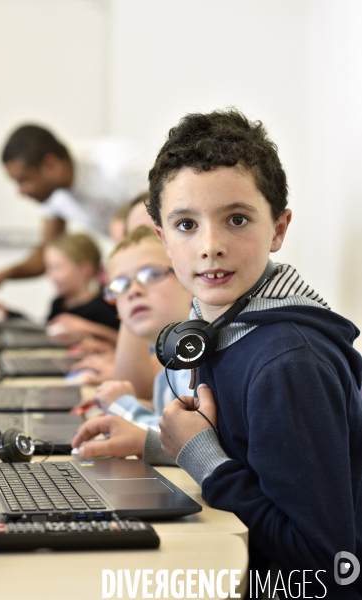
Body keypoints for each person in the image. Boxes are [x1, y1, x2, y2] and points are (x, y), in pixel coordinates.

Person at [143, 108, 362, 598]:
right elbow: (254, 449)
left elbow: (328, 571)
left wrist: (200, 455)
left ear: (279, 228)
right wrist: (155, 444)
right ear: (163, 238)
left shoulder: (287, 363)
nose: (211, 246)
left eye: (236, 219)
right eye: (185, 224)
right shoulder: (230, 329)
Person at [71, 225, 193, 459]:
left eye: (152, 274)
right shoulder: (172, 360)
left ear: (191, 280)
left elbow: (186, 442)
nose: (133, 291)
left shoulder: (196, 359)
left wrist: (123, 406)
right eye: (120, 285)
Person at [0, 125, 147, 291]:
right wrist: (3, 276)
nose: (20, 191)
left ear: (50, 165)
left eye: (24, 181)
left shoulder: (118, 166)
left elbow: (160, 221)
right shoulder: (51, 192)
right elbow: (46, 253)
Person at [44, 232, 119, 348]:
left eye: (57, 268)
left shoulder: (104, 306)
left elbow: (123, 341)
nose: (50, 275)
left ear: (84, 269)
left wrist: (86, 328)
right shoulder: (58, 304)